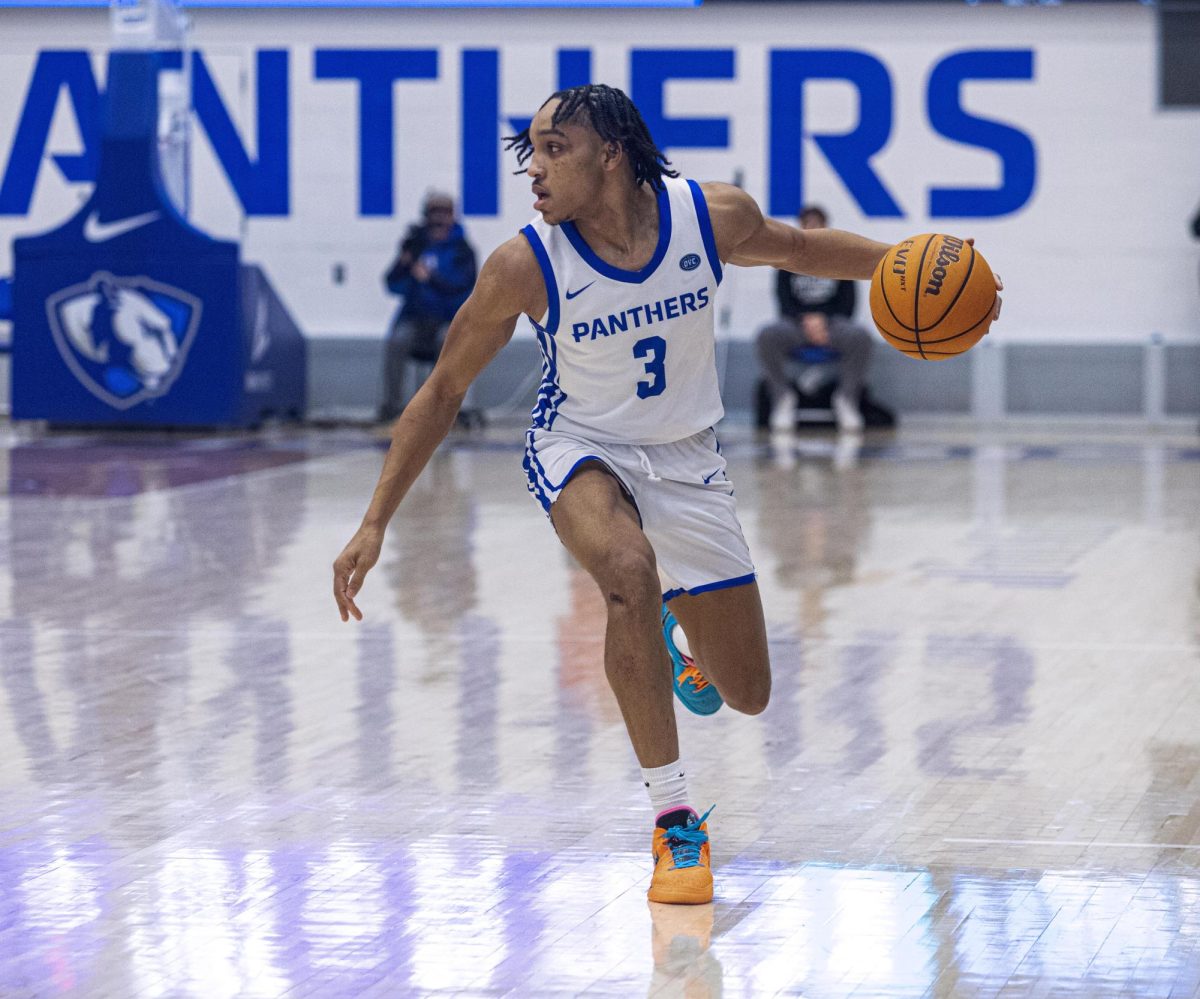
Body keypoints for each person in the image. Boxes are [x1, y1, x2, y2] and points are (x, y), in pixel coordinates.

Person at [333, 84, 1002, 905]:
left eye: (555, 150)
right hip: (580, 446)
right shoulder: (524, 262)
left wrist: (915, 261)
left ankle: (678, 639)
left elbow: (797, 248)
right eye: (530, 153)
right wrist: (374, 522)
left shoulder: (707, 216)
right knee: (626, 567)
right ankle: (676, 821)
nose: (534, 172)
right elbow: (441, 391)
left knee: (747, 692)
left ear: (611, 152)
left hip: (687, 460)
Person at [756, 205, 875, 434]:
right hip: (796, 325)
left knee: (860, 337)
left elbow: (848, 304)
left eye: (816, 224)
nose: (812, 229)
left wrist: (822, 321)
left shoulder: (840, 259)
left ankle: (846, 399)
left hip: (832, 325)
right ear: (800, 227)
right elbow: (784, 302)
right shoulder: (786, 260)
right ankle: (782, 398)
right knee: (767, 335)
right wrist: (807, 321)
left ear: (825, 228)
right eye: (807, 224)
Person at [379, 193, 477, 421]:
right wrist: (404, 264)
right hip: (415, 319)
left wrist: (431, 279)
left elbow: (464, 287)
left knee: (452, 344)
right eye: (434, 213)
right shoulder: (416, 245)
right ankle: (392, 405)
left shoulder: (462, 249)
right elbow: (392, 284)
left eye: (444, 213)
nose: (439, 219)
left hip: (446, 319)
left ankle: (452, 408)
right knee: (397, 340)